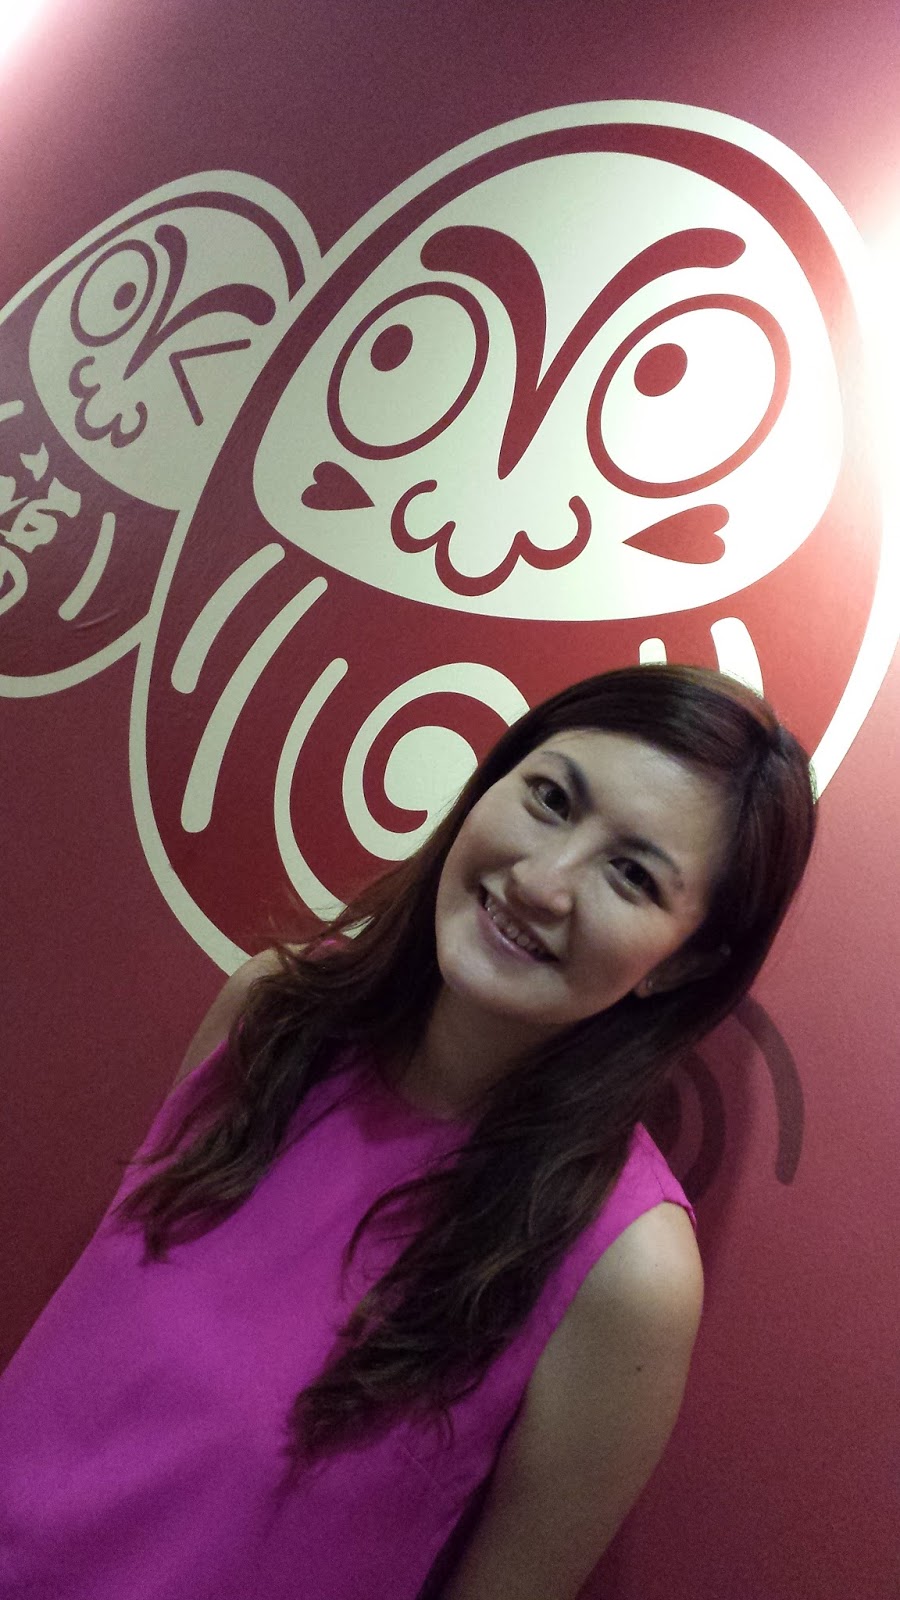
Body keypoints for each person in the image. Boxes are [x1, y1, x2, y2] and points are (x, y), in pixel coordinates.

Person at [0, 663, 817, 1600]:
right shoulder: (272, 1012)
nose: (542, 882)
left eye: (630, 875)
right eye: (550, 799)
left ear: (682, 965)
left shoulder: (626, 1270)